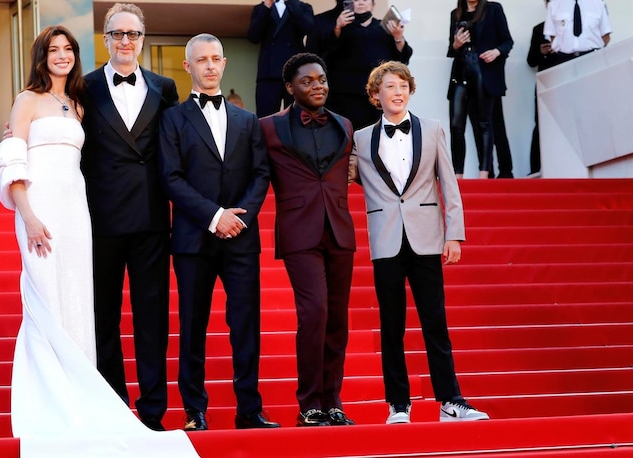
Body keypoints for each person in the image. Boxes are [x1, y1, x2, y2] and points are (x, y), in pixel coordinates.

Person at [0, 25, 197, 457]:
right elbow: (12, 158)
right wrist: (27, 215)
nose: (61, 56)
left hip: (78, 215)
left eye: (67, 49)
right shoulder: (26, 100)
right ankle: (50, 401)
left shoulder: (79, 103)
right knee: (46, 297)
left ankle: (83, 397)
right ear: (41, 56)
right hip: (40, 211)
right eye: (53, 50)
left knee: (79, 303)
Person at [351, 61, 489, 424]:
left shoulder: (432, 129)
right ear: (375, 95)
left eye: (403, 86)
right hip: (386, 240)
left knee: (435, 322)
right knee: (391, 324)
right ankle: (398, 404)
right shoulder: (361, 139)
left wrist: (454, 233)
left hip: (427, 237)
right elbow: (344, 175)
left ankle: (451, 400)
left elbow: (449, 183)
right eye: (390, 87)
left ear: (410, 91)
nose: (397, 92)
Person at [158, 33, 277, 431]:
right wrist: (214, 216)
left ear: (224, 64)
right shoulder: (172, 118)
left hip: (241, 238)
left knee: (246, 325)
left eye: (216, 59)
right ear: (188, 66)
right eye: (201, 60)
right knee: (193, 326)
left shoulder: (248, 120)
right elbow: (171, 178)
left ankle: (249, 410)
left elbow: (262, 174)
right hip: (193, 239)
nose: (210, 65)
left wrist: (239, 218)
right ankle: (195, 411)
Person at [81, 3, 179, 432]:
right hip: (100, 219)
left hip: (152, 217)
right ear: (105, 39)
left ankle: (153, 411)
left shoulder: (166, 86)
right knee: (103, 316)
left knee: (151, 317)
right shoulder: (82, 88)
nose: (125, 41)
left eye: (133, 34)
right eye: (117, 34)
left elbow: (178, 146)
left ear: (142, 38)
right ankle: (113, 405)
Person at [259, 52, 356, 427]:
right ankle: (310, 402)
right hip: (299, 231)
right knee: (314, 312)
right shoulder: (268, 128)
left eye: (321, 79)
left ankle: (333, 400)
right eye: (307, 81)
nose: (317, 86)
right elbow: (254, 176)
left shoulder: (345, 125)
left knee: (338, 319)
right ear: (290, 88)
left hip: (339, 229)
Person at [310, 0, 411, 130]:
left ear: (373, 5)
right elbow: (327, 52)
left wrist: (398, 37)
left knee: (375, 134)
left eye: (365, 0)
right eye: (356, 0)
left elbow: (401, 58)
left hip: (376, 93)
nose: (361, 2)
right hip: (346, 94)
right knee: (348, 133)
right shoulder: (342, 26)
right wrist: (337, 27)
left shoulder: (383, 28)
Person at [447, 0, 513, 179]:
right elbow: (451, 50)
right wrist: (456, 45)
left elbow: (507, 41)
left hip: (486, 74)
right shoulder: (456, 14)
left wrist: (496, 52)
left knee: (488, 124)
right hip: (461, 73)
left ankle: (494, 173)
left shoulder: (493, 9)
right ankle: (459, 175)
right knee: (457, 124)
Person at [247, 0, 314, 117]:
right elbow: (253, 36)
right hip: (268, 72)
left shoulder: (303, 7)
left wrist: (292, 3)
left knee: (298, 116)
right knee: (266, 118)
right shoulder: (260, 8)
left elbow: (308, 28)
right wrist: (267, 6)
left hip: (295, 71)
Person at [526, 0, 556, 176]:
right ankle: (535, 169)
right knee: (540, 125)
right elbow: (530, 60)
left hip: (566, 81)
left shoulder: (573, 30)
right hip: (545, 81)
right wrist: (542, 52)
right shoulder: (539, 29)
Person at [544, 0, 612, 67]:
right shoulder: (554, 4)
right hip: (564, 61)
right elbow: (552, 36)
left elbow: (606, 36)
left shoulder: (598, 3)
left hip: (593, 59)